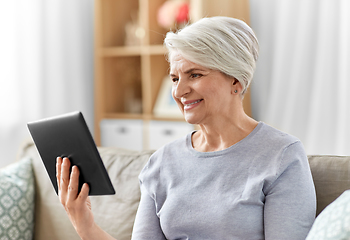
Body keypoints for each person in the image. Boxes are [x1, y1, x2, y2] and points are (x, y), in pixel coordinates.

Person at [56, 16, 316, 240]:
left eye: (195, 75)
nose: (179, 92)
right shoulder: (162, 162)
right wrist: (84, 224)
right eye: (175, 78)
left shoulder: (282, 156)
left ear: (235, 80)